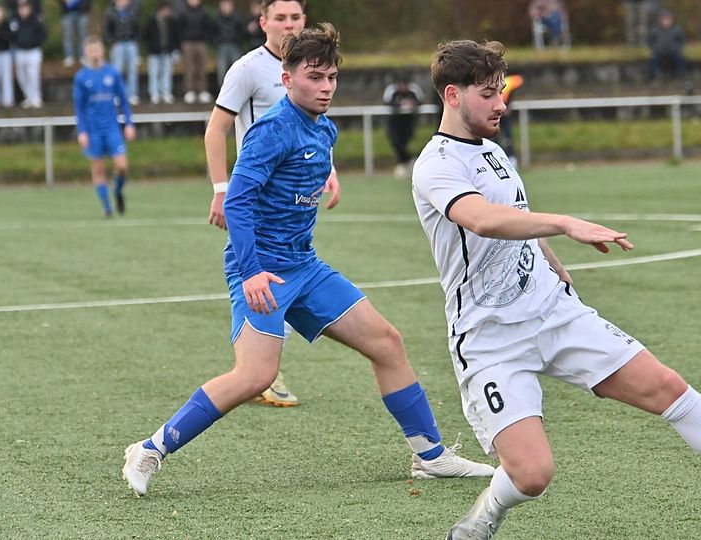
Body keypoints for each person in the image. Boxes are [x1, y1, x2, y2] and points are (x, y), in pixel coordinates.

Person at [412, 39, 701, 539]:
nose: (501, 103)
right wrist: (566, 223)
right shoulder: (436, 163)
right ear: (453, 95)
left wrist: (553, 262)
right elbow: (480, 219)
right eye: (488, 94)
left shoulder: (494, 151)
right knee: (532, 474)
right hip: (490, 338)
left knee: (666, 386)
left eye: (501, 91)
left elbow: (516, 216)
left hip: (553, 313)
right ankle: (483, 518)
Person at [121, 21, 496, 498]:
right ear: (287, 78)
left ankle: (430, 455)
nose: (325, 88)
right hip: (261, 269)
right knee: (255, 375)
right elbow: (236, 202)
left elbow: (308, 163)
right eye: (314, 77)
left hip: (305, 266)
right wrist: (252, 270)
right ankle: (150, 449)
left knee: (387, 342)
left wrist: (327, 177)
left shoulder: (325, 128)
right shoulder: (271, 129)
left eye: (331, 78)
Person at [205, 0, 313, 407]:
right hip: (256, 196)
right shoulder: (248, 68)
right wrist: (221, 187)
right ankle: (258, 371)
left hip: (295, 196)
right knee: (256, 270)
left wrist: (328, 172)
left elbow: (313, 129)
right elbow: (216, 130)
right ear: (263, 21)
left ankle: (258, 368)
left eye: (296, 17)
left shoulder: (310, 67)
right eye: (280, 18)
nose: (288, 25)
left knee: (288, 270)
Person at [73, 35, 135, 218]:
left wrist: (129, 123)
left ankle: (117, 192)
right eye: (90, 50)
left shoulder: (112, 73)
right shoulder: (81, 77)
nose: (94, 53)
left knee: (122, 167)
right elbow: (79, 107)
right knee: (98, 169)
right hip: (93, 130)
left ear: (102, 51)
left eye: (97, 49)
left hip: (112, 128)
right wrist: (82, 131)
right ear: (86, 52)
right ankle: (107, 207)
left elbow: (123, 100)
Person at [382, 78, 425, 178]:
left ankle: (404, 164)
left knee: (404, 143)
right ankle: (408, 162)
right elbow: (387, 103)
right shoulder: (391, 90)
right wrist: (400, 104)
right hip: (394, 123)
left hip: (408, 122)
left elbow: (420, 101)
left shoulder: (413, 90)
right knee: (396, 142)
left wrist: (412, 104)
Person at [104, 0, 141, 105]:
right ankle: (117, 95)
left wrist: (135, 41)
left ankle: (132, 94)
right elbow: (106, 30)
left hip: (131, 43)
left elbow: (137, 27)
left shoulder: (133, 11)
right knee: (116, 71)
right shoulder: (109, 12)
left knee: (132, 70)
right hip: (117, 44)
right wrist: (112, 42)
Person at [11, 0, 47, 109]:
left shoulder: (36, 21)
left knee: (33, 75)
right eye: (21, 8)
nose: (23, 11)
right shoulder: (15, 22)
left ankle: (36, 98)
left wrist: (33, 42)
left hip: (33, 51)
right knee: (21, 76)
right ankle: (28, 97)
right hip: (20, 52)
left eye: (25, 8)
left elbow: (43, 34)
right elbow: (11, 36)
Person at [176, 0, 214, 103]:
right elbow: (178, 28)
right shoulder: (182, 12)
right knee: (189, 68)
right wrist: (182, 40)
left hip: (201, 42)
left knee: (201, 67)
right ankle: (189, 91)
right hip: (187, 42)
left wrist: (206, 39)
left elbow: (208, 27)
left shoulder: (204, 11)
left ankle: (202, 91)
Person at [143, 0, 180, 104]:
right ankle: (154, 94)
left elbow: (175, 36)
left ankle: (166, 93)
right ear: (161, 10)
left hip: (167, 51)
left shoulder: (171, 21)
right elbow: (145, 36)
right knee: (154, 73)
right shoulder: (151, 21)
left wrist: (175, 50)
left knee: (167, 73)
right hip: (154, 52)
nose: (168, 12)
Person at [647, 10, 686, 82]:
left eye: (668, 19)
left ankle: (679, 75)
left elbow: (682, 40)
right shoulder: (655, 29)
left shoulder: (677, 29)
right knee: (653, 58)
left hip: (674, 51)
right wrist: (655, 48)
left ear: (671, 20)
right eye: (664, 19)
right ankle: (657, 75)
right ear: (661, 20)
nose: (666, 21)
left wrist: (677, 48)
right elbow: (650, 41)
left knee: (681, 57)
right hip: (659, 51)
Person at [493, 73, 523, 167]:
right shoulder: (506, 86)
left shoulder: (509, 84)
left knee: (508, 138)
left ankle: (511, 160)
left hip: (504, 117)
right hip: (499, 117)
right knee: (496, 138)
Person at [215, 0, 246, 85]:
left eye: (228, 5)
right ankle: (222, 91)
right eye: (224, 5)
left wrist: (237, 40)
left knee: (237, 69)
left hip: (235, 46)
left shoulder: (238, 18)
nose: (226, 7)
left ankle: (239, 89)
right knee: (222, 70)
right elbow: (213, 32)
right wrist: (218, 41)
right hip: (222, 46)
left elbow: (242, 32)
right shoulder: (217, 18)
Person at [59, 0, 92, 67]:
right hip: (66, 12)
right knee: (67, 36)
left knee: (83, 35)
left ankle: (83, 56)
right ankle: (69, 56)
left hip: (83, 11)